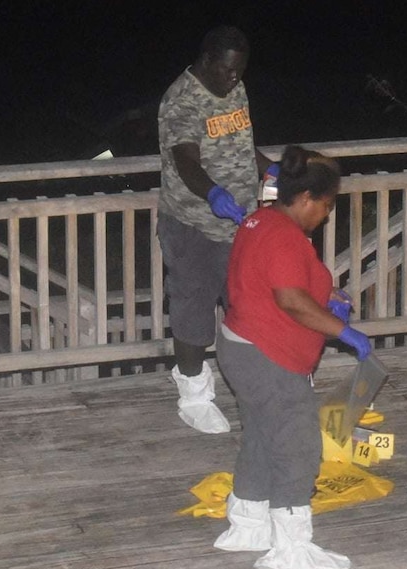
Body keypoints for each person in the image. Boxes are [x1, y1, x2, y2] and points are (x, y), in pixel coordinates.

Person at [213, 145, 370, 569]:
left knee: (263, 436)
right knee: (297, 446)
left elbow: (273, 282)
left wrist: (327, 296)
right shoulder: (284, 235)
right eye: (326, 205)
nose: (326, 213)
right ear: (305, 200)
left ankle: (247, 524)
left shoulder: (258, 219)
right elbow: (290, 300)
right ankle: (291, 549)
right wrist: (343, 331)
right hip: (268, 355)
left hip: (240, 345)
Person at [157, 25, 273, 434]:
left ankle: (253, 384)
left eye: (240, 71)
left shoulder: (234, 88)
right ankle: (193, 394)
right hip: (193, 226)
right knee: (193, 309)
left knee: (248, 305)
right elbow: (186, 161)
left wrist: (266, 167)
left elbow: (241, 140)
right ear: (206, 61)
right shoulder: (181, 100)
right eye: (226, 71)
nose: (234, 79)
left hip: (239, 225)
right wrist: (212, 195)